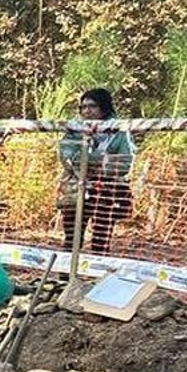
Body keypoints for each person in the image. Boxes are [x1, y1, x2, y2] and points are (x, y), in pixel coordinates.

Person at [57, 87, 136, 256]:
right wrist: (98, 160)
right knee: (72, 237)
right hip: (75, 188)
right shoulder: (74, 129)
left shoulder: (119, 131)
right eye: (83, 107)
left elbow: (124, 163)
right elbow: (67, 157)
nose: (87, 111)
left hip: (106, 190)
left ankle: (97, 279)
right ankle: (65, 279)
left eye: (92, 106)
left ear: (104, 107)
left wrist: (92, 162)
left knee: (101, 238)